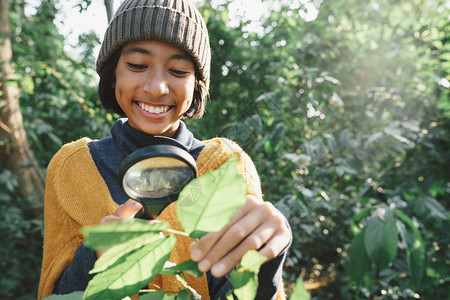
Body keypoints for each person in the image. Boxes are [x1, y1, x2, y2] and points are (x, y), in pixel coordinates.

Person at [38, 0, 292, 299]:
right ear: (113, 71)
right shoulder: (71, 167)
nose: (157, 87)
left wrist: (265, 259)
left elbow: (240, 290)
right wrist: (93, 258)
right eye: (136, 65)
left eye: (178, 70)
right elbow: (52, 292)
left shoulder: (227, 165)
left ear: (197, 84)